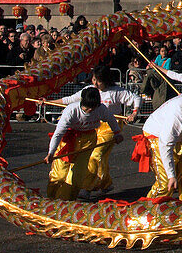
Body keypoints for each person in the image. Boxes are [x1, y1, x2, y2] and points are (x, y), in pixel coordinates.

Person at [56, 66, 140, 195]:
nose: (95, 83)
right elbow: (70, 99)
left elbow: (136, 98)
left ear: (106, 80)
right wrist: (48, 102)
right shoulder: (89, 90)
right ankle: (105, 183)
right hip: (94, 126)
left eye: (99, 81)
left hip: (110, 127)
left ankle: (86, 188)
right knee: (101, 157)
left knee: (95, 155)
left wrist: (134, 113)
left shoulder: (116, 91)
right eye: (94, 79)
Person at [44, 86, 123, 200]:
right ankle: (51, 199)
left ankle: (67, 201)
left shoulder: (101, 109)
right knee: (59, 175)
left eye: (93, 108)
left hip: (88, 140)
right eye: (86, 108)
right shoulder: (71, 111)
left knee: (77, 175)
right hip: (68, 140)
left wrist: (117, 133)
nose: (89, 111)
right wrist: (51, 153)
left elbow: (111, 119)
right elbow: (58, 134)